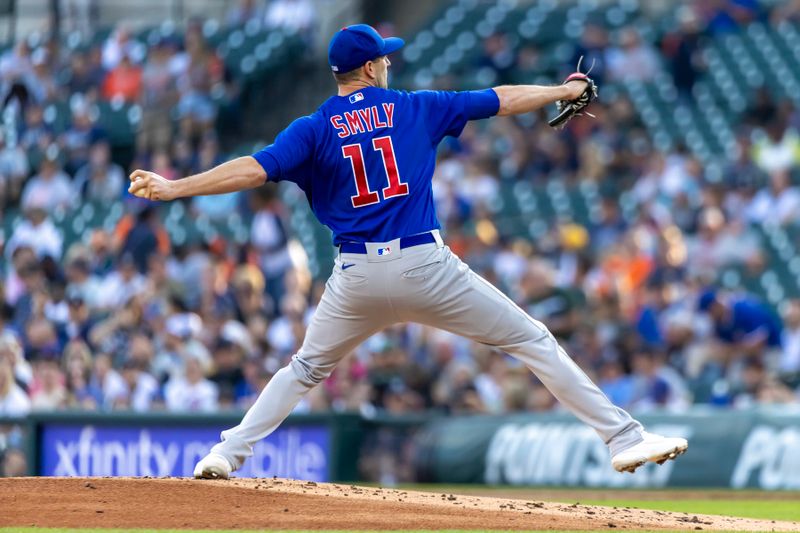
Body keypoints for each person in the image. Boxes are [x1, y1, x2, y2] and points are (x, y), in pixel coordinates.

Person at [128, 24, 688, 479]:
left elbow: (252, 170)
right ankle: (623, 438)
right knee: (531, 339)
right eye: (384, 59)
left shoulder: (314, 126)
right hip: (425, 265)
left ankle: (226, 453)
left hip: (355, 277)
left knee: (303, 369)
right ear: (371, 68)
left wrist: (177, 187)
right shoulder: (416, 107)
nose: (389, 64)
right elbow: (503, 99)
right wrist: (564, 91)